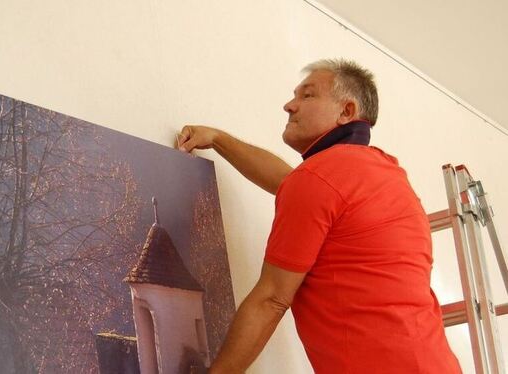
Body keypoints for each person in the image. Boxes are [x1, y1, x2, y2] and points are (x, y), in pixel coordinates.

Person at [178, 59, 461, 373]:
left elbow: (271, 298)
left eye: (307, 96)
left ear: (346, 112)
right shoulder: (385, 173)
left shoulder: (319, 179)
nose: (289, 105)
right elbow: (290, 183)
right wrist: (218, 139)